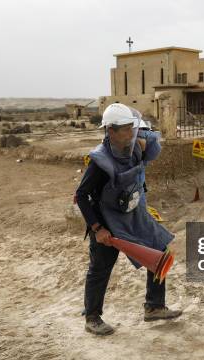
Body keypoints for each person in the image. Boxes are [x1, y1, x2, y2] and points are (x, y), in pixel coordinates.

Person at [75, 103, 182, 336]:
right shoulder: (99, 162)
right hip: (107, 223)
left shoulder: (133, 148)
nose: (130, 133)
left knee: (159, 251)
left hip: (133, 215)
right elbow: (81, 196)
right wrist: (97, 228)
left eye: (131, 128)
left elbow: (152, 142)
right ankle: (92, 317)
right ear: (110, 131)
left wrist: (145, 140)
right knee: (100, 268)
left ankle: (154, 306)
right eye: (124, 129)